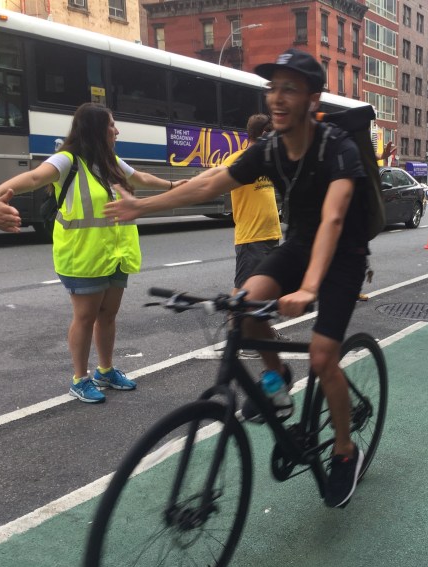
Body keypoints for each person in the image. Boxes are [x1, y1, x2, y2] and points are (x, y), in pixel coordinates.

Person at [104, 48, 370, 508]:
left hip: (342, 254)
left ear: (312, 97)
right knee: (241, 306)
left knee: (325, 358)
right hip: (297, 247)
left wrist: (309, 288)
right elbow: (210, 184)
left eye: (289, 89)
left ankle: (345, 450)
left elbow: (332, 218)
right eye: (272, 88)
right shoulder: (269, 148)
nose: (277, 98)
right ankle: (278, 375)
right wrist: (141, 207)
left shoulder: (337, 148)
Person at [0, 103, 185, 403]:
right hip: (81, 255)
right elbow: (33, 178)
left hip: (115, 252)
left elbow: (141, 178)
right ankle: (79, 378)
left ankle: (105, 371)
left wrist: (174, 185)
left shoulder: (109, 161)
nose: (117, 131)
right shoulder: (66, 160)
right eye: (112, 125)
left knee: (108, 315)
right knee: (85, 317)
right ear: (97, 128)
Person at [223, 114, 281, 293]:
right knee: (242, 291)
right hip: (251, 238)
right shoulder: (236, 160)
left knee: (265, 291)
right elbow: (211, 181)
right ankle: (235, 320)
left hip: (272, 234)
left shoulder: (268, 159)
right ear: (265, 133)